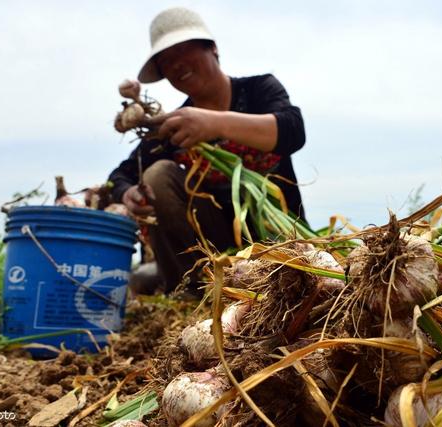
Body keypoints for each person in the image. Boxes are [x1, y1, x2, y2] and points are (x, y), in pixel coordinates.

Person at [108, 7, 307, 295]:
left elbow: (293, 131)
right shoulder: (174, 126)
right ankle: (190, 293)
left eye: (184, 50)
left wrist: (215, 124)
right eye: (166, 61)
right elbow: (120, 175)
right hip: (216, 250)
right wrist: (127, 193)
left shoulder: (258, 90)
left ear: (213, 49)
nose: (176, 65)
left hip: (277, 241)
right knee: (158, 174)